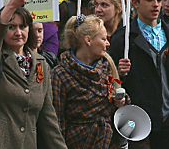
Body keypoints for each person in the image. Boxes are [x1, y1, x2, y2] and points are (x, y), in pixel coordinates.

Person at [0, 0, 66, 149]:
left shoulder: (40, 63)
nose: (18, 32)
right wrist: (10, 7)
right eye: (11, 27)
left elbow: (48, 118)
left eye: (23, 27)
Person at [109, 0, 169, 149]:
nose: (156, 5)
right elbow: (110, 81)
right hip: (136, 118)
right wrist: (120, 74)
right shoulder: (122, 39)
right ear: (135, 2)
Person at [51, 14, 127, 149]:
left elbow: (122, 106)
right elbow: (56, 121)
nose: (108, 43)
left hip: (108, 142)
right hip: (78, 143)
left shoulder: (107, 67)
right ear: (88, 40)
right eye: (103, 39)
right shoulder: (60, 74)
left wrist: (120, 102)